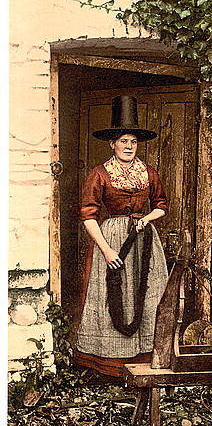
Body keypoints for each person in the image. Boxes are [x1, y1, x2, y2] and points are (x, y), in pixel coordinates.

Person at [74, 95, 169, 378]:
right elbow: (88, 215)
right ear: (112, 144)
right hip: (112, 238)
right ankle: (110, 366)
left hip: (145, 241)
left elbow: (162, 206)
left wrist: (147, 219)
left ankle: (146, 358)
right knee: (111, 296)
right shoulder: (99, 174)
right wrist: (105, 250)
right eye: (123, 141)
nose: (128, 147)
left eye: (133, 142)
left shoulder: (148, 173)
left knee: (148, 293)